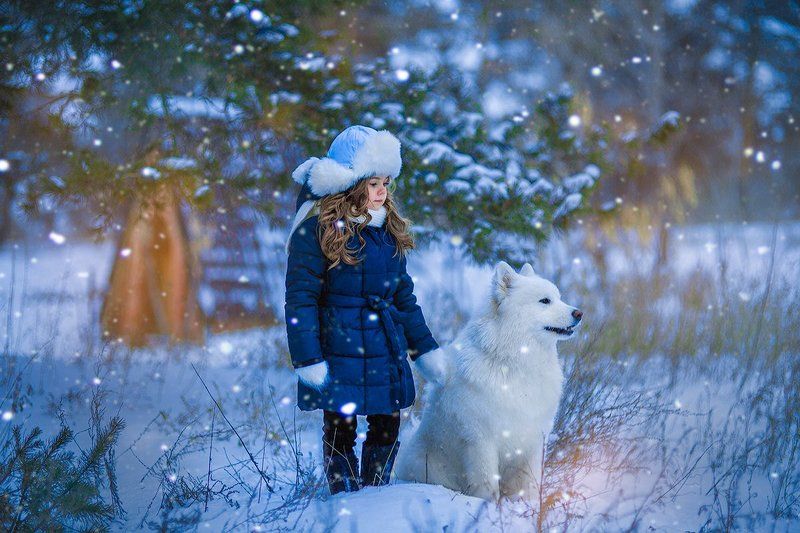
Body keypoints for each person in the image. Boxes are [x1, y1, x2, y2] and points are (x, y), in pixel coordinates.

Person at [284, 125, 447, 495]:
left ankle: (376, 493)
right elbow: (300, 299)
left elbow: (403, 297)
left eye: (386, 183)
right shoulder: (318, 230)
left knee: (388, 420)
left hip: (384, 345)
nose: (382, 192)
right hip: (338, 346)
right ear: (352, 184)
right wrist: (307, 358)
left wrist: (424, 350)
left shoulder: (386, 230)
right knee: (341, 424)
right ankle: (344, 496)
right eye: (374, 183)